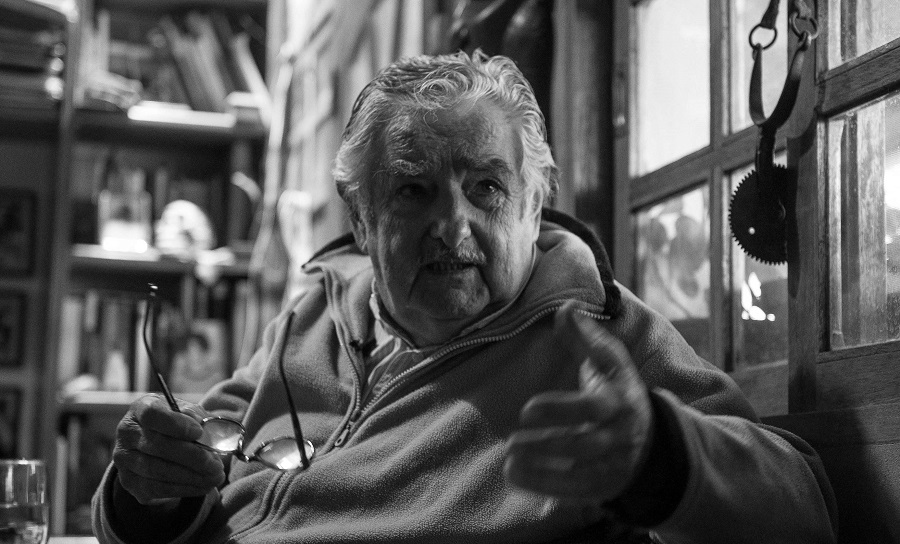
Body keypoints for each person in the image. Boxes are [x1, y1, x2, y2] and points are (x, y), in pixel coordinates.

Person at [92, 50, 837, 543]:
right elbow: (192, 471)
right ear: (361, 218)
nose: (453, 226)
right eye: (414, 190)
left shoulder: (593, 334)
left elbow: (805, 510)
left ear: (534, 205)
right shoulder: (312, 317)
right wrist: (147, 490)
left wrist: (660, 461)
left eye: (486, 187)